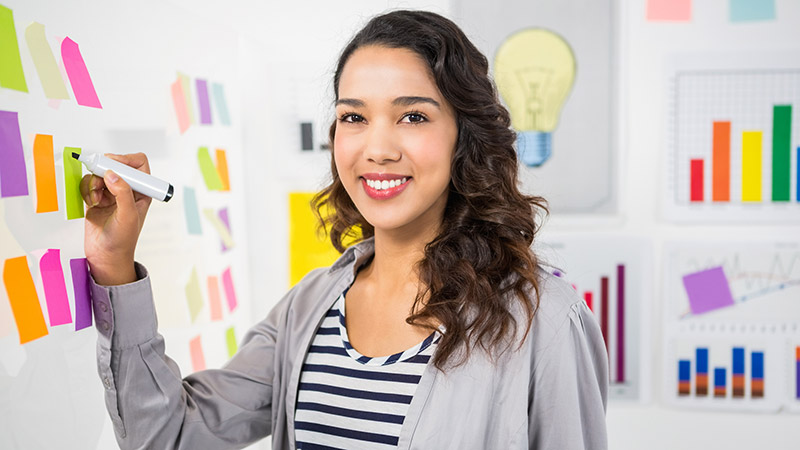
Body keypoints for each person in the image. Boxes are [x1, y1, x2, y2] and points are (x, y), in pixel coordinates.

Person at [81, 9, 608, 450]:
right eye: (354, 117)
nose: (377, 149)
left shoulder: (544, 321)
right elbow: (167, 436)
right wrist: (114, 264)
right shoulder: (308, 307)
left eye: (414, 117)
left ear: (464, 136)